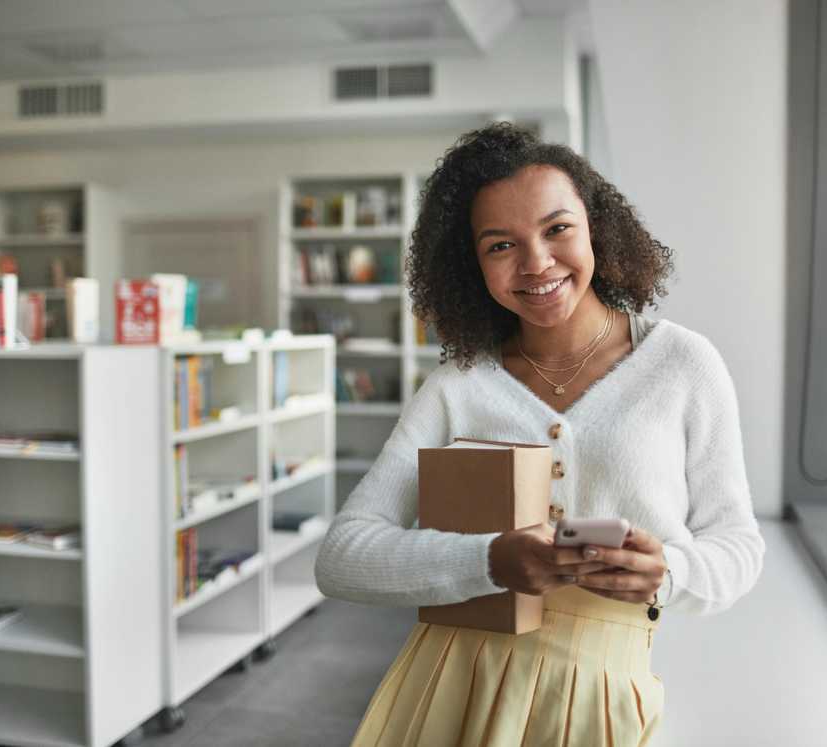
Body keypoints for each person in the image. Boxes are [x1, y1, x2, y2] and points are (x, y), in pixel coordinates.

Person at [314, 122, 766, 746]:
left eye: (557, 229)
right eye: (501, 245)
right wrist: (490, 561)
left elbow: (738, 546)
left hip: (600, 697)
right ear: (471, 265)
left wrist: (669, 574)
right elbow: (342, 558)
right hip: (447, 684)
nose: (536, 263)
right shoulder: (457, 387)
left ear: (595, 229)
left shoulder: (683, 365)